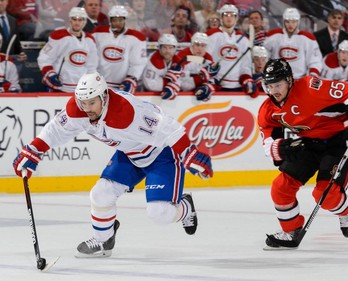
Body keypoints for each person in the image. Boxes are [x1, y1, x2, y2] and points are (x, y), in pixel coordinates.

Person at [13, 71, 213, 257]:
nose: (87, 109)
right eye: (83, 102)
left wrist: (189, 152)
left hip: (161, 155)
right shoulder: (78, 108)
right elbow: (57, 129)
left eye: (91, 103)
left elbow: (167, 126)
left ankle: (186, 206)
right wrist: (34, 149)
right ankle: (103, 241)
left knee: (159, 213)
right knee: (100, 194)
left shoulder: (127, 112)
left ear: (104, 97)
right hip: (130, 154)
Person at [258, 58, 348, 249]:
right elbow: (267, 140)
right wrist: (280, 148)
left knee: (325, 195)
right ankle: (291, 230)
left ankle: (346, 210)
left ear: (289, 80)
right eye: (270, 85)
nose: (274, 90)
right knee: (280, 188)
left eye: (278, 84)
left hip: (338, 141)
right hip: (309, 143)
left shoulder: (311, 87)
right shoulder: (268, 110)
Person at [37, 7, 98, 93]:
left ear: (84, 22)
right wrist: (51, 74)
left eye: (80, 20)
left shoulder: (90, 40)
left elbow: (92, 66)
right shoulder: (59, 36)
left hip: (82, 90)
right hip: (60, 87)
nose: (77, 22)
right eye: (74, 19)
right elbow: (44, 58)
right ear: (70, 20)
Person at [92, 5, 147, 92]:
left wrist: (131, 78)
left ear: (125, 20)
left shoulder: (136, 37)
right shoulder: (98, 33)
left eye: (120, 20)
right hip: (98, 83)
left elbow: (138, 63)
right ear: (110, 21)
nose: (118, 23)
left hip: (121, 85)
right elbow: (91, 58)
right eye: (115, 20)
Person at [206, 4, 257, 96]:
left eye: (232, 15)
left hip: (237, 87)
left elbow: (245, 65)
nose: (229, 18)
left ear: (236, 18)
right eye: (226, 15)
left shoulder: (243, 39)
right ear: (221, 17)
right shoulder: (211, 36)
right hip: (217, 86)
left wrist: (246, 79)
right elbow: (205, 61)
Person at [264, 8, 322, 80]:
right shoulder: (273, 35)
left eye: (293, 22)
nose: (290, 25)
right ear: (283, 21)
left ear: (298, 22)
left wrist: (313, 75)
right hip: (277, 79)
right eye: (287, 22)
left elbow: (315, 60)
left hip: (299, 79)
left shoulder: (308, 38)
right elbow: (264, 56)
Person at [178, 32, 220, 101]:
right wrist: (201, 78)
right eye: (197, 45)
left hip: (200, 97)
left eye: (203, 46)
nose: (200, 49)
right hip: (182, 97)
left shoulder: (208, 58)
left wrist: (206, 87)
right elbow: (183, 84)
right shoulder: (182, 56)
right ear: (192, 45)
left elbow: (214, 80)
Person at [142, 33, 184, 100]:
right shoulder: (153, 60)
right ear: (160, 48)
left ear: (175, 49)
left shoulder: (178, 62)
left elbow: (183, 81)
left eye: (170, 48)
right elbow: (149, 84)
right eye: (164, 47)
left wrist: (172, 85)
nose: (167, 51)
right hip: (150, 98)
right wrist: (169, 82)